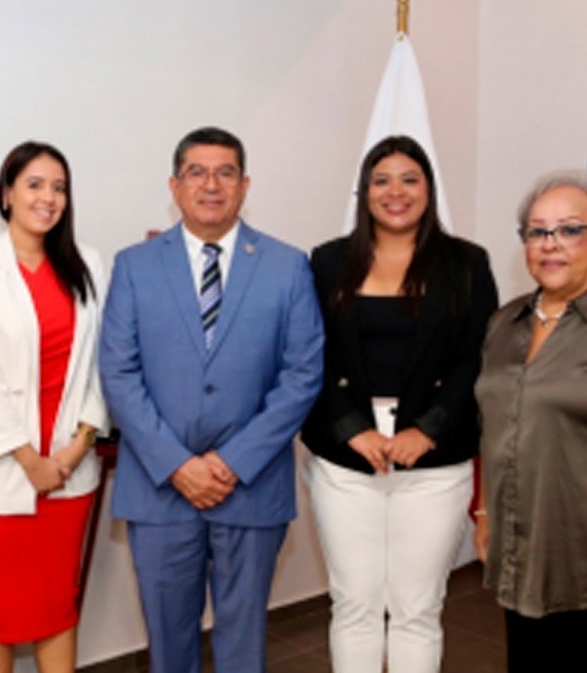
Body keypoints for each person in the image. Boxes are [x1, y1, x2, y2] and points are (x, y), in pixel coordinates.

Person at [98, 126, 324, 673]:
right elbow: (118, 373)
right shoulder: (135, 264)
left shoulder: (287, 265)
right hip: (160, 487)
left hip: (250, 484)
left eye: (225, 172)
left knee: (242, 642)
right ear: (175, 187)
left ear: (245, 185)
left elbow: (302, 374)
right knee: (168, 645)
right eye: (196, 172)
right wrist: (177, 465)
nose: (211, 184)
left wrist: (230, 463)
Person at [300, 135, 498, 673]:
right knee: (355, 605)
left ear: (429, 191)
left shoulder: (467, 263)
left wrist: (428, 427)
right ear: (364, 193)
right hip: (345, 456)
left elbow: (478, 359)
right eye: (381, 180)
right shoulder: (327, 261)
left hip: (436, 456)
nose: (396, 192)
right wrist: (348, 426)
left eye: (410, 179)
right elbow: (305, 355)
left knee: (416, 609)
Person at [0, 141, 108, 673]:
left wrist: (73, 451)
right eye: (35, 184)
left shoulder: (90, 266)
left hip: (69, 473)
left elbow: (103, 367)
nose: (49, 197)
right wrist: (29, 460)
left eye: (59, 187)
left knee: (58, 609)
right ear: (7, 193)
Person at [473, 170, 587, 673]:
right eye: (538, 232)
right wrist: (484, 512)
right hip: (520, 539)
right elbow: (490, 423)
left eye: (569, 229)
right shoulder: (504, 322)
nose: (551, 244)